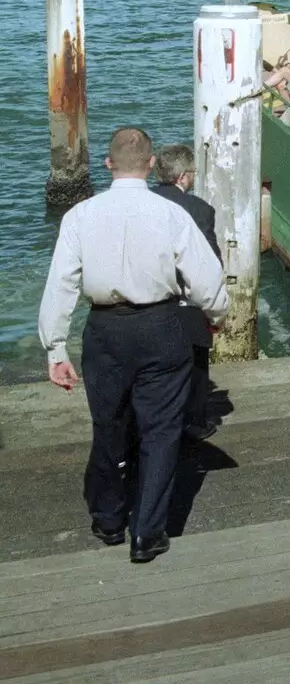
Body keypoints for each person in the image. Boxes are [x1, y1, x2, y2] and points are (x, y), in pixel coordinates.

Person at [38, 126, 228, 564]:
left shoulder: (80, 216)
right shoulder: (171, 215)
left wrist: (56, 350)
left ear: (107, 164)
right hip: (162, 326)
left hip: (105, 330)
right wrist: (214, 316)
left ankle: (108, 519)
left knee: (108, 424)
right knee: (160, 432)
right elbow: (207, 280)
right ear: (149, 165)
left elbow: (61, 285)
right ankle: (147, 533)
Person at [153, 143, 222, 441]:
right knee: (196, 363)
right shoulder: (200, 210)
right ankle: (194, 421)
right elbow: (211, 262)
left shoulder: (143, 203)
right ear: (183, 176)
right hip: (187, 301)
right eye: (192, 172)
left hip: (150, 304)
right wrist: (215, 309)